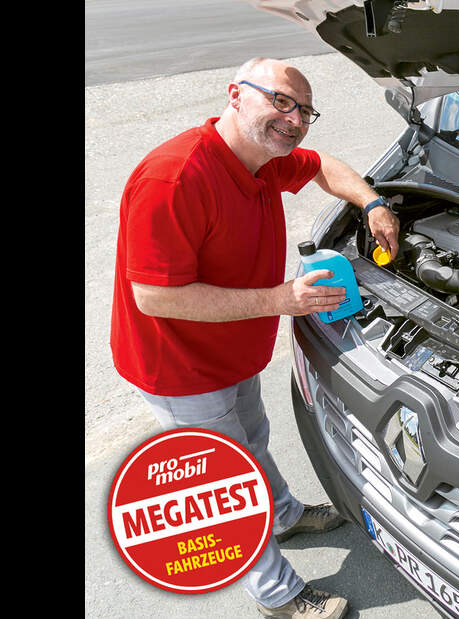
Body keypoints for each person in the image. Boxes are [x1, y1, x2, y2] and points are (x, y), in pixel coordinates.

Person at [110, 57, 401, 619]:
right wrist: (282, 300)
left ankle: (286, 515)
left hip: (233, 348)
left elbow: (324, 169)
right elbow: (155, 297)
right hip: (179, 367)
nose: (293, 120)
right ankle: (280, 597)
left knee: (254, 439)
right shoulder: (173, 178)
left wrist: (373, 202)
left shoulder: (264, 158)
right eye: (280, 101)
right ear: (235, 94)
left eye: (304, 111)